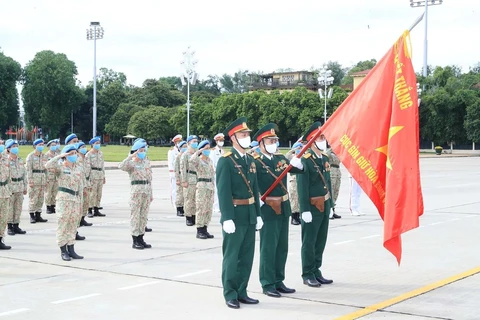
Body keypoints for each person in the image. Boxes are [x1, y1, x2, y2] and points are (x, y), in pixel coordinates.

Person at [252, 124, 304, 298]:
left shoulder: (280, 158)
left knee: (282, 247)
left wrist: (299, 163)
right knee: (268, 247)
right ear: (261, 143)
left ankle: (278, 280)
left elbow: (297, 170)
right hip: (267, 208)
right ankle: (267, 283)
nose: (274, 143)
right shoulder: (255, 160)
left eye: (275, 140)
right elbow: (250, 183)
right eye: (270, 140)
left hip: (284, 207)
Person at [216, 117, 263, 309]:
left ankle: (242, 291)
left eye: (247, 134)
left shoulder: (250, 160)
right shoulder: (226, 161)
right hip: (234, 215)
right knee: (232, 257)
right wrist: (227, 217)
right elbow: (223, 191)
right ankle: (230, 293)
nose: (246, 137)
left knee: (246, 256)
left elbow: (256, 189)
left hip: (250, 215)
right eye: (243, 135)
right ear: (233, 138)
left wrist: (258, 214)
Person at [297, 123, 334, 287]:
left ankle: (316, 270)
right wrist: (304, 209)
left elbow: (328, 183)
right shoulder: (305, 160)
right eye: (320, 137)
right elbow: (302, 186)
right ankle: (307, 273)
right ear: (311, 140)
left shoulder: (324, 158)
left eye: (324, 137)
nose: (323, 140)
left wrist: (331, 204)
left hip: (324, 205)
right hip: (311, 206)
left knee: (320, 240)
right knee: (309, 242)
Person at [45, 144, 84, 261]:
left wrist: (81, 201)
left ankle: (71, 249)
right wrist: (60, 156)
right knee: (63, 224)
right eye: (71, 154)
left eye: (75, 153)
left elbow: (80, 186)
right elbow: (47, 165)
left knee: (73, 225)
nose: (74, 156)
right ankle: (63, 250)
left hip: (76, 199)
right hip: (64, 200)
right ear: (65, 156)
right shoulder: (60, 168)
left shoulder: (78, 168)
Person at [118, 140, 152, 250]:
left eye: (143, 150)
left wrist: (151, 193)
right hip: (136, 192)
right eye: (140, 151)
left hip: (146, 191)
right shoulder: (131, 163)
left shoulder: (146, 162)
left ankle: (141, 238)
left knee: (143, 216)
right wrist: (130, 156)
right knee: (135, 216)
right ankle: (135, 239)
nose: (143, 152)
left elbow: (149, 179)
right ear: (135, 152)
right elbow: (121, 166)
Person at [190, 140, 215, 239]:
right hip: (202, 186)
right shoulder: (198, 160)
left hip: (209, 185)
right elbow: (191, 160)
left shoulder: (209, 161)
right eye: (206, 149)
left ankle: (205, 228)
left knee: (208, 209)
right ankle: (199, 230)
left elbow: (212, 174)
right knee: (201, 208)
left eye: (209, 148)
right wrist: (198, 151)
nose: (208, 150)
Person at [6, 140, 27, 236]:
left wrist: (25, 186)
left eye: (16, 146)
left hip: (19, 186)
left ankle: (16, 225)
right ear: (8, 149)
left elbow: (24, 174)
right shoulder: (5, 161)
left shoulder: (20, 160)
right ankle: (10, 226)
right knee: (10, 208)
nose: (15, 148)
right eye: (13, 146)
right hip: (10, 187)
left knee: (18, 208)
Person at [26, 138, 48, 224]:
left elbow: (46, 168)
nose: (41, 146)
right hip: (34, 180)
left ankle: (38, 215)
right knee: (33, 198)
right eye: (39, 145)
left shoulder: (44, 156)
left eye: (42, 145)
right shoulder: (30, 156)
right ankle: (32, 215)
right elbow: (28, 169)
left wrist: (46, 179)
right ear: (35, 146)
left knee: (40, 198)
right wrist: (30, 180)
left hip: (42, 179)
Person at [180, 135, 199, 226]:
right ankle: (188, 217)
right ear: (188, 143)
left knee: (196, 199)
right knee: (188, 199)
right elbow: (183, 168)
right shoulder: (185, 155)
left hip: (197, 179)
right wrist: (184, 180)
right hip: (189, 178)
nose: (196, 143)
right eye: (193, 141)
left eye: (196, 141)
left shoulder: (197, 154)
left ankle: (194, 215)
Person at [86, 137, 106, 218]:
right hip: (92, 175)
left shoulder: (100, 153)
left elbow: (102, 165)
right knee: (92, 194)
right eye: (96, 143)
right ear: (92, 144)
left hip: (100, 175)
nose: (98, 145)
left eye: (99, 143)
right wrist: (87, 177)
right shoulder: (89, 154)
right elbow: (87, 167)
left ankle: (96, 209)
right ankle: (89, 210)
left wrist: (104, 176)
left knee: (99, 193)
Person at [76, 141, 92, 237]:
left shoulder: (86, 158)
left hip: (86, 182)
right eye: (82, 147)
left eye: (84, 146)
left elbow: (88, 172)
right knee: (79, 203)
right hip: (79, 183)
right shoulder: (76, 159)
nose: (84, 148)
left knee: (86, 202)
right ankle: (77, 222)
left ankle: (82, 218)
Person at [285, 142, 303, 225]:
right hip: (294, 179)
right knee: (294, 199)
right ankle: (293, 217)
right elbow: (286, 156)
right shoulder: (292, 157)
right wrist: (294, 150)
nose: (300, 150)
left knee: (299, 199)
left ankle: (298, 216)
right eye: (299, 148)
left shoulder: (302, 157)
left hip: (301, 179)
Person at [0, 139, 12, 250]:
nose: (1, 146)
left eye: (1, 144)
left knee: (3, 217)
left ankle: (0, 239)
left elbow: (8, 177)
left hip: (4, 190)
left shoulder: (5, 159)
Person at [209, 133, 225, 213]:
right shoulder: (213, 151)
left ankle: (220, 205)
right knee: (216, 190)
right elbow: (212, 163)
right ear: (216, 141)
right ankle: (216, 206)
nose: (221, 142)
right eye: (220, 140)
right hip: (216, 173)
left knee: (221, 190)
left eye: (222, 140)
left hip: (222, 174)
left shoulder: (223, 151)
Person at [325, 146, 342, 219]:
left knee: (336, 192)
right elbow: (326, 155)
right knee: (331, 192)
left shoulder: (337, 153)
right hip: (332, 173)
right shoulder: (329, 153)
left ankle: (333, 209)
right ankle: (329, 210)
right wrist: (332, 147)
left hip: (337, 173)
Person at [167, 134, 182, 213]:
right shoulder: (172, 151)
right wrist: (172, 174)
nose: (180, 143)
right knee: (174, 189)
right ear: (175, 142)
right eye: (178, 141)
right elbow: (170, 163)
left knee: (180, 190)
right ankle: (174, 203)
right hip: (175, 173)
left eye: (180, 141)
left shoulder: (183, 150)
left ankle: (180, 204)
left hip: (182, 173)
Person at [45, 139, 59, 214]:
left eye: (55, 145)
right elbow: (44, 166)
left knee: (55, 192)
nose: (54, 146)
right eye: (52, 145)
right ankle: (48, 206)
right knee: (48, 192)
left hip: (56, 177)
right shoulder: (46, 155)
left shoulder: (57, 155)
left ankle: (53, 205)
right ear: (48, 147)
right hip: (49, 176)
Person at [174, 141, 187, 217]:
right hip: (180, 176)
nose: (185, 148)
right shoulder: (178, 157)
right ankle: (179, 209)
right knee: (179, 194)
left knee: (185, 194)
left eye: (186, 146)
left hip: (186, 177)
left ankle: (184, 208)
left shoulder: (186, 156)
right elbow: (176, 168)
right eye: (184, 147)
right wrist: (177, 179)